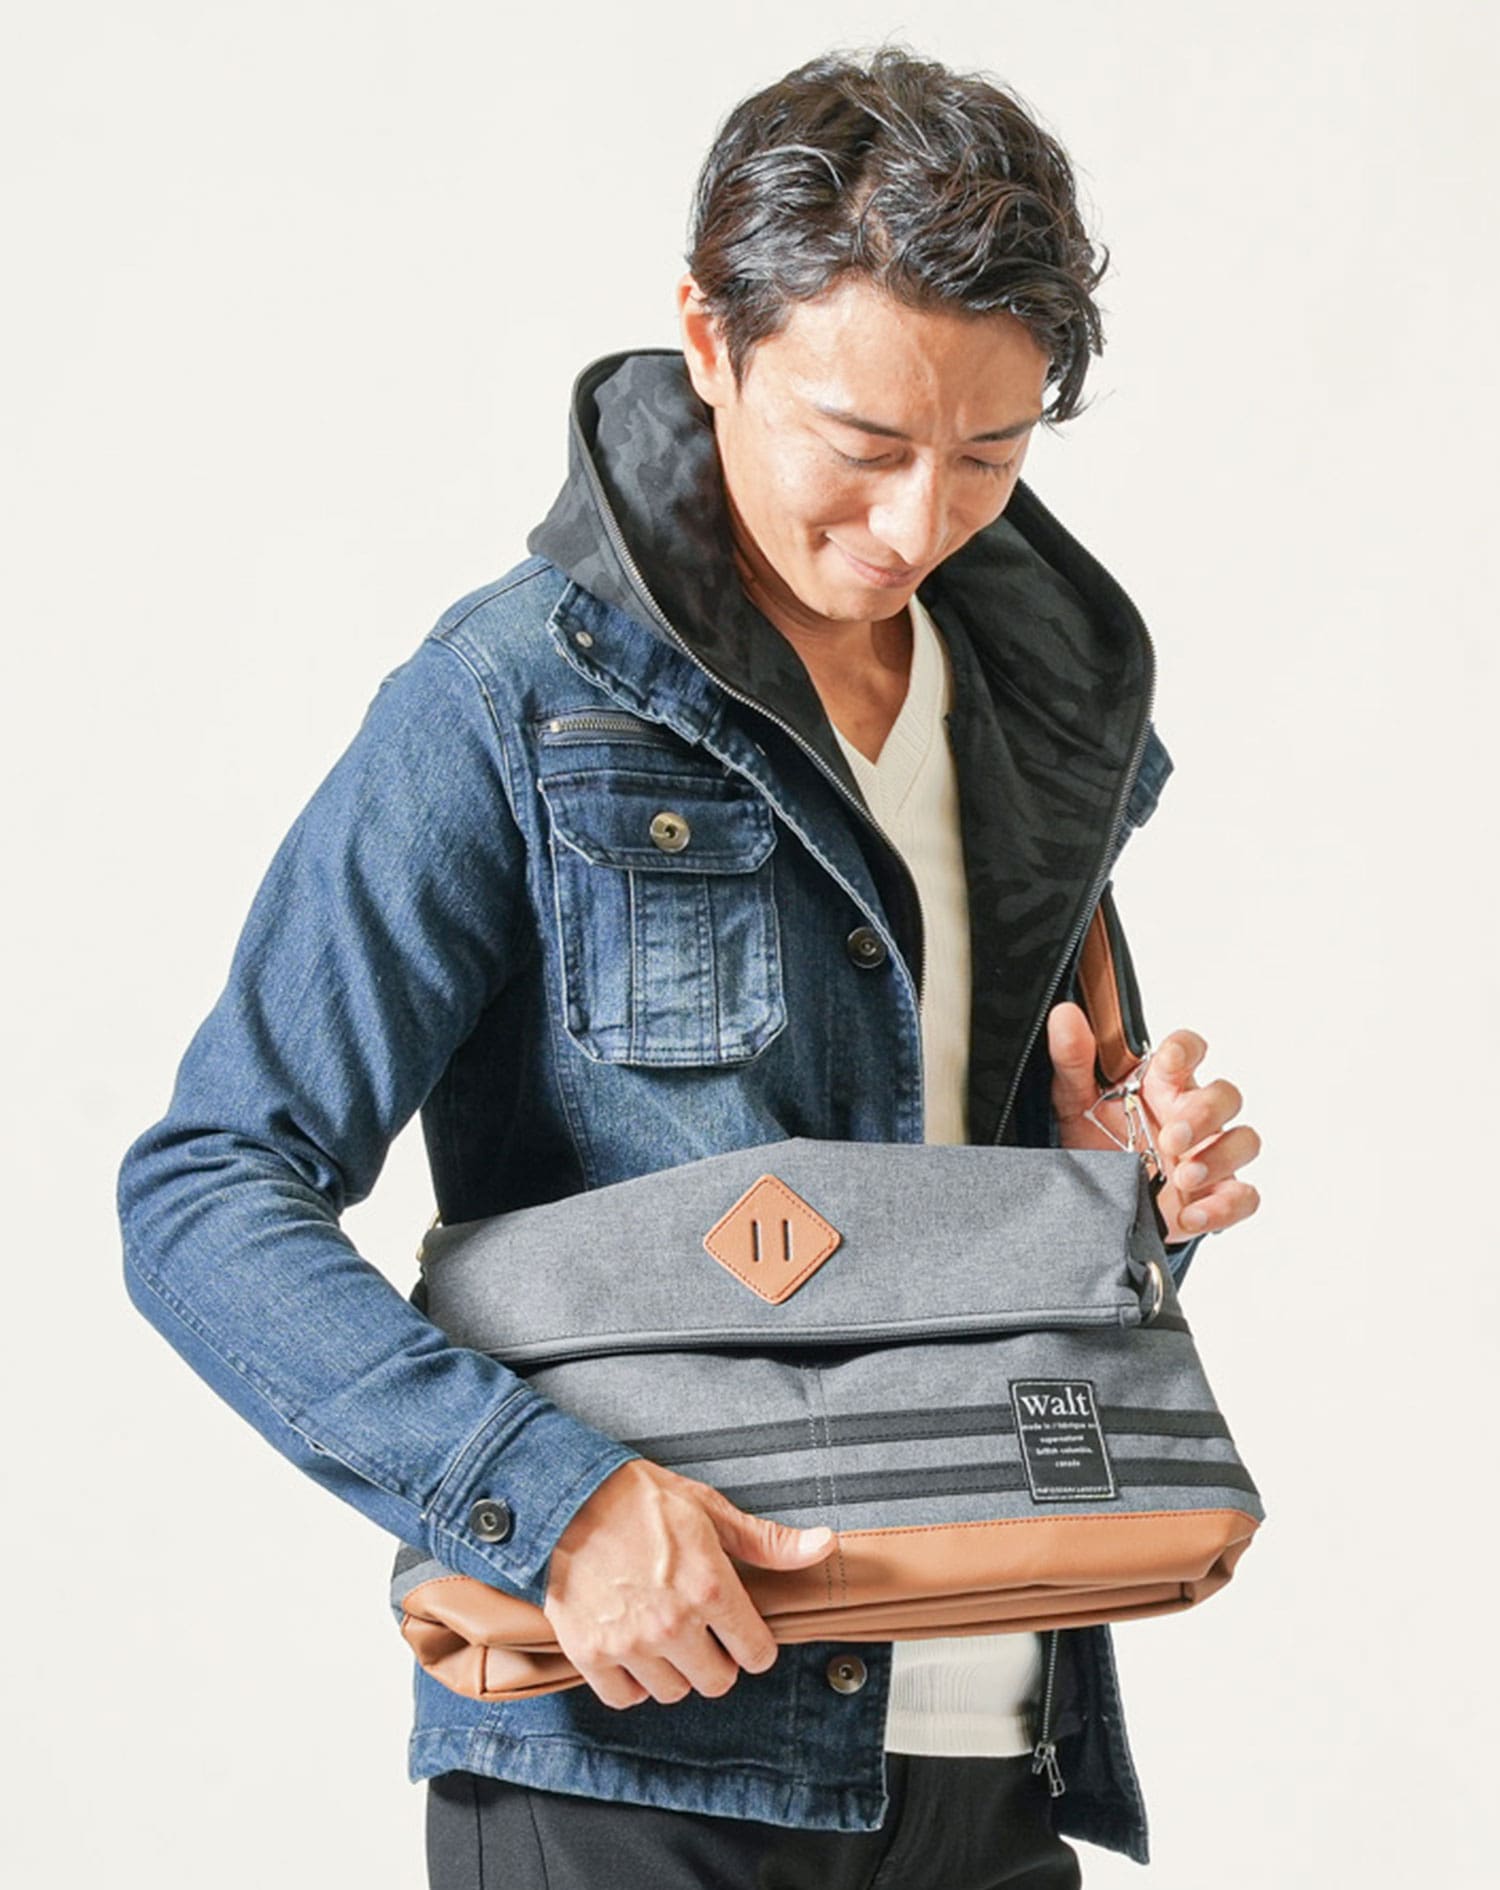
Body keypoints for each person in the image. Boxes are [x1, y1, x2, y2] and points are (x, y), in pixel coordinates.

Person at [117, 42, 1262, 1889]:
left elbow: (928, 1240)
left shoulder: (1036, 713)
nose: (916, 525)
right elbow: (205, 1189)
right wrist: (552, 1508)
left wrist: (1107, 1191)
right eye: (865, 446)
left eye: (989, 456)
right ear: (709, 340)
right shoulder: (509, 697)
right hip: (638, 1756)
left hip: (992, 1727)